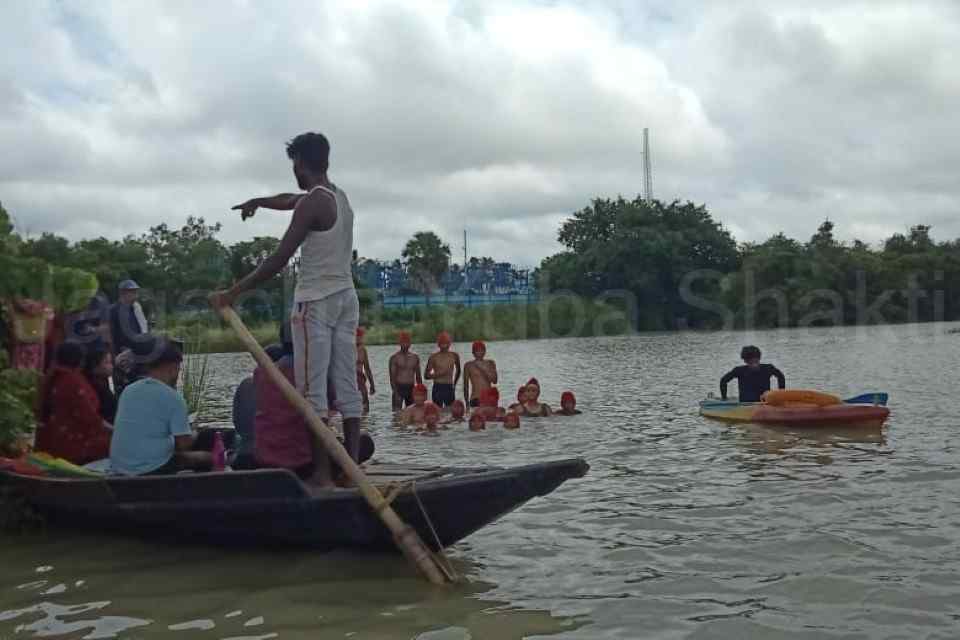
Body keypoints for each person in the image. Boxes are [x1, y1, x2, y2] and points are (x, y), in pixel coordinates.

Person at [211, 132, 364, 485]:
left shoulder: (314, 202)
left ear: (300, 164)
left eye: (293, 164)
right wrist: (259, 201)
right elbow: (289, 199)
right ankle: (353, 469)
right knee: (345, 386)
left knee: (312, 391)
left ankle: (323, 475)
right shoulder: (337, 197)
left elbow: (279, 258)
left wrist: (233, 292)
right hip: (346, 299)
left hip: (316, 302)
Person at [110, 338, 212, 475]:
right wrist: (193, 434)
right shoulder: (173, 398)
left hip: (120, 466)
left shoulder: (128, 390)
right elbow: (183, 445)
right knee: (207, 458)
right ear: (173, 368)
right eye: (178, 370)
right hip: (150, 468)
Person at [34, 341, 112, 465]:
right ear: (80, 360)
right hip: (73, 441)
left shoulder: (54, 376)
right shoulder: (72, 381)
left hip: (54, 436)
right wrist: (113, 429)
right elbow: (88, 416)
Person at [720, 346, 786, 402]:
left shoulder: (768, 368)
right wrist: (724, 398)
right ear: (745, 361)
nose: (754, 365)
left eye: (756, 361)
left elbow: (781, 377)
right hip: (745, 404)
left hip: (764, 402)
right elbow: (723, 380)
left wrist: (781, 395)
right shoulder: (739, 370)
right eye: (751, 362)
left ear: (759, 358)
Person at [109, 280, 149, 356]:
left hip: (135, 352)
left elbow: (139, 329)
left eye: (136, 292)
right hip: (120, 354)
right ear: (122, 293)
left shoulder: (134, 309)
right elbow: (110, 335)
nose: (136, 296)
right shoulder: (112, 310)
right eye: (133, 292)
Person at [83, 343, 117, 423]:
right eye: (107, 362)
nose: (111, 366)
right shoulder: (94, 388)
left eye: (111, 362)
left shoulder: (103, 383)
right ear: (94, 367)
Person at [425, 331, 461, 408]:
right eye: (442, 343)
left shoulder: (454, 355)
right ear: (439, 344)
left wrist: (454, 384)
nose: (444, 346)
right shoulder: (433, 357)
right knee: (437, 411)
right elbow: (426, 375)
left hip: (449, 387)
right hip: (438, 387)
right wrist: (439, 374)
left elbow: (458, 370)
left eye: (446, 343)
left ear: (449, 344)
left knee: (451, 412)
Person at [388, 331, 422, 410]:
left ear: (410, 343)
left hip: (411, 388)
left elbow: (418, 377)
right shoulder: (394, 358)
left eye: (407, 342)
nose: (405, 345)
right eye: (403, 342)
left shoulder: (415, 357)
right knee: (396, 414)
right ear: (399, 343)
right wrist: (396, 393)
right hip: (399, 388)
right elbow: (392, 378)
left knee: (412, 413)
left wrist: (420, 392)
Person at [463, 340, 497, 408]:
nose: (479, 353)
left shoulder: (490, 363)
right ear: (473, 352)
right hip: (475, 398)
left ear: (485, 351)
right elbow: (466, 386)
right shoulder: (468, 365)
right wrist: (466, 403)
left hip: (489, 398)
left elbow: (494, 381)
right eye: (477, 351)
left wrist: (483, 369)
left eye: (481, 350)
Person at [355, 327, 375, 414]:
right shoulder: (346, 349)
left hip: (360, 379)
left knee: (365, 404)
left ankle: (365, 424)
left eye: (361, 336)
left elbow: (367, 368)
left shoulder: (363, 350)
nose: (360, 338)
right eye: (358, 336)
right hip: (349, 379)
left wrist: (372, 384)